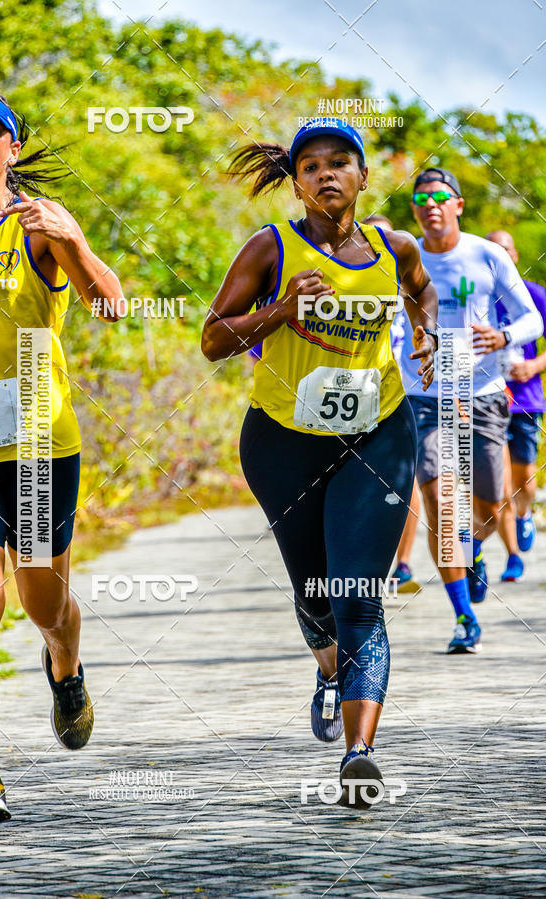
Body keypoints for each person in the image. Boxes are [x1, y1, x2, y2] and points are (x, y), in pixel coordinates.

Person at [202, 119, 437, 807]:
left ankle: (359, 755)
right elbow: (214, 339)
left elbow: (421, 290)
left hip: (378, 432)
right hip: (282, 441)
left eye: (341, 163)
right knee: (316, 595)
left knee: (360, 596)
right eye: (311, 166)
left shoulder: (395, 246)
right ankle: (329, 670)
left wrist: (422, 329)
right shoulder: (269, 246)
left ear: (364, 177)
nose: (327, 174)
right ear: (296, 182)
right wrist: (279, 310)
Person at [0, 89, 123, 824]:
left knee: (44, 602)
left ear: (13, 151)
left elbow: (111, 303)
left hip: (38, 448)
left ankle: (66, 665)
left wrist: (76, 242)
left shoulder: (38, 230)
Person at [399, 169, 542, 653]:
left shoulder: (488, 254)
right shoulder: (402, 256)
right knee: (442, 501)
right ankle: (463, 616)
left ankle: (475, 550)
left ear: (458, 204)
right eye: (422, 198)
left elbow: (531, 318)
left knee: (486, 501)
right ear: (415, 209)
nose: (431, 204)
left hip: (482, 393)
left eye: (441, 196)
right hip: (423, 396)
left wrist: (504, 337)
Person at [363, 216, 422, 591]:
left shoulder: (412, 288)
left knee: (408, 481)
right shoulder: (355, 287)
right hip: (364, 394)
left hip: (411, 393)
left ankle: (402, 562)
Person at [485, 230, 546, 581]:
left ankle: (524, 515)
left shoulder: (534, 295)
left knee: (525, 476)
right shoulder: (476, 295)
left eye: (505, 250)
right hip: (487, 399)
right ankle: (512, 556)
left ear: (516, 255)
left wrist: (534, 366)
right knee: (501, 481)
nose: (500, 256)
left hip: (526, 399)